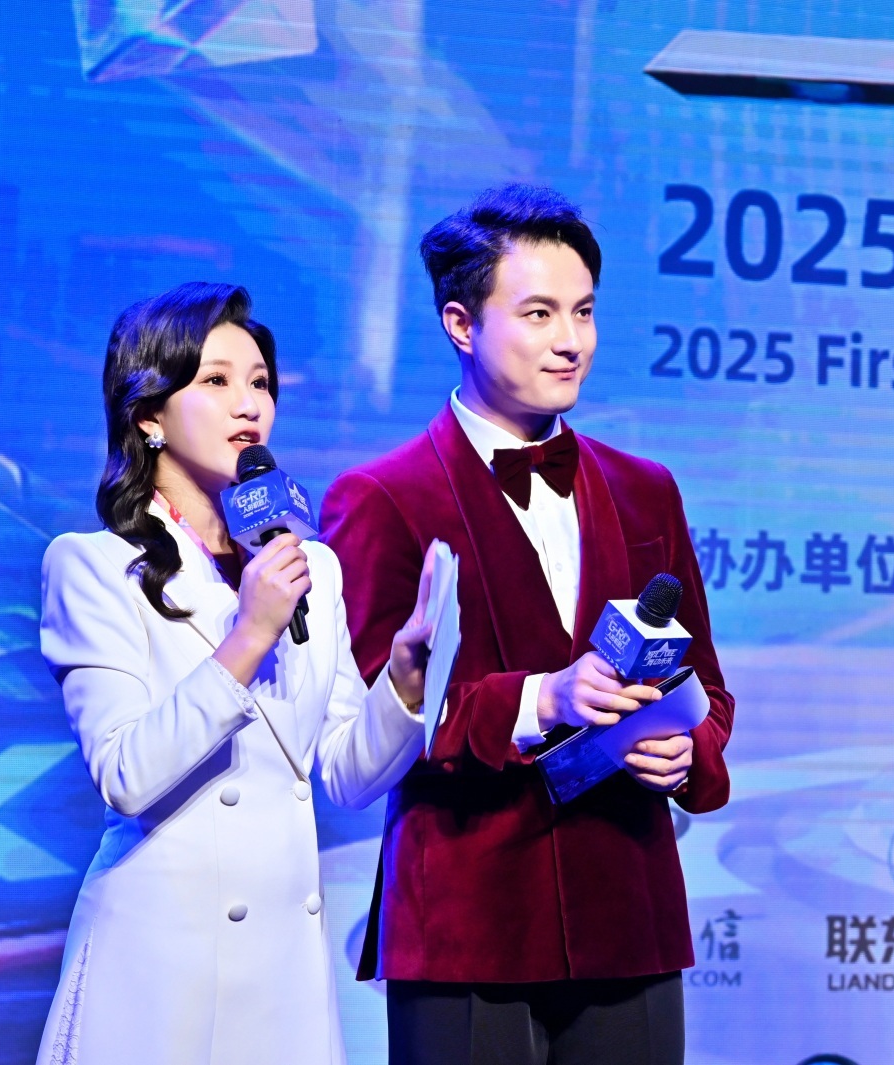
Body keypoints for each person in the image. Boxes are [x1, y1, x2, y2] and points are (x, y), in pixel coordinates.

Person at [321, 185, 735, 1065]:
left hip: (629, 914)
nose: (571, 339)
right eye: (540, 313)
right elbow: (378, 724)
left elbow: (708, 687)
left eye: (584, 311)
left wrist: (686, 750)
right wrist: (543, 697)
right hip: (467, 921)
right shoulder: (382, 497)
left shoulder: (646, 489)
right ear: (461, 325)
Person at [35, 282, 434, 1065]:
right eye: (215, 381)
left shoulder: (309, 563)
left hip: (284, 979)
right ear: (148, 415)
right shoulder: (93, 565)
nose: (248, 405)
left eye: (259, 383)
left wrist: (406, 684)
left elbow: (345, 772)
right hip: (159, 973)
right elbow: (124, 774)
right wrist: (249, 635)